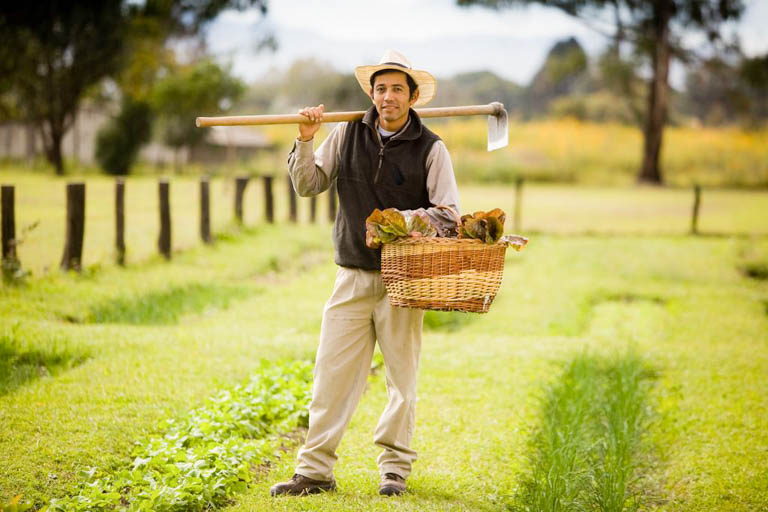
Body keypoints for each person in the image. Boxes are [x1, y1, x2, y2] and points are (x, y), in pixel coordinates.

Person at [270, 49, 460, 497]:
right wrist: (304, 139)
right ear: (371, 94)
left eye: (397, 89)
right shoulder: (346, 134)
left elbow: (450, 215)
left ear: (413, 97)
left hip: (404, 281)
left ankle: (394, 471)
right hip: (351, 274)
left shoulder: (432, 148)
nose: (388, 96)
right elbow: (308, 185)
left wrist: (404, 220)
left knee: (401, 381)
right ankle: (314, 472)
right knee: (330, 374)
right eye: (381, 89)